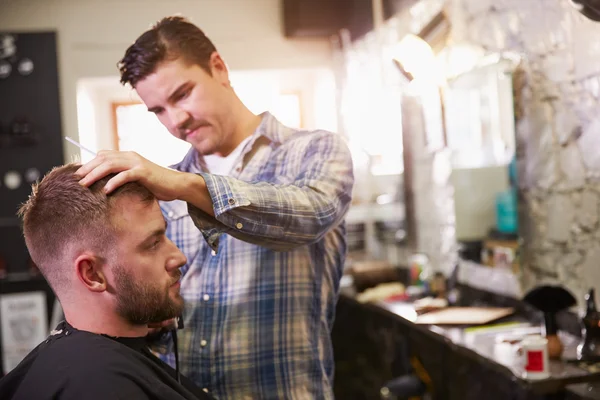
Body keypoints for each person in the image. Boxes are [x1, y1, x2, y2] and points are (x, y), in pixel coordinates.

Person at [75, 15, 354, 399]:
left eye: (182, 94)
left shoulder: (313, 152)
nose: (176, 120)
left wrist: (183, 186)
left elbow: (310, 214)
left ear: (218, 68)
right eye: (158, 110)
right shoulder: (166, 192)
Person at [0, 164, 212, 400]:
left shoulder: (77, 367)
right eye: (152, 244)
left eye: (164, 235)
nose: (178, 258)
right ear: (92, 274)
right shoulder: (100, 387)